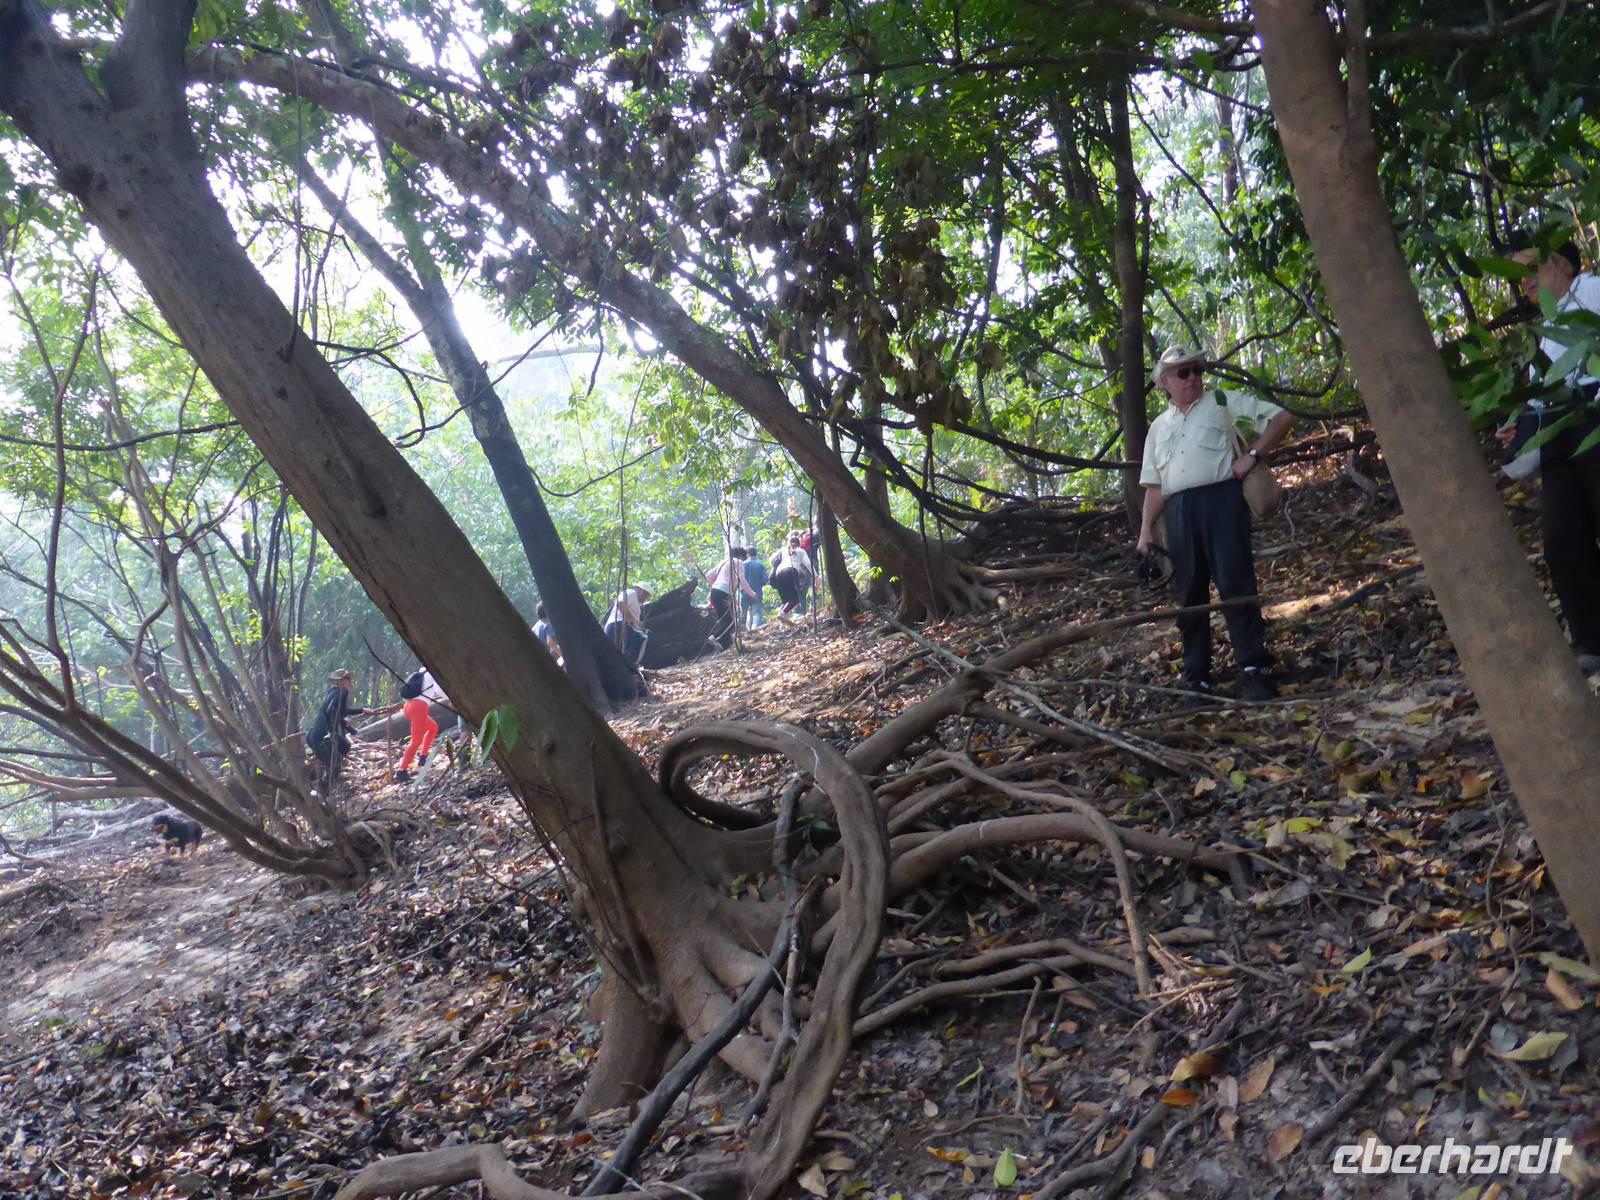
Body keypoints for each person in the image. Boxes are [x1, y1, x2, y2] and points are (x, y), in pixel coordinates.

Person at [1136, 347, 1294, 702]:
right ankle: (1197, 678)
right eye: (1183, 373)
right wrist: (1146, 531)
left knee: (1236, 583)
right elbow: (1154, 486)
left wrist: (1252, 456)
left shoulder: (1222, 401)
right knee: (1189, 594)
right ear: (1165, 382)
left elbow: (1282, 418)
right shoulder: (1159, 427)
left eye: (1196, 370)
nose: (1193, 377)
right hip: (1179, 512)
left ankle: (1254, 669)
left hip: (1222, 501)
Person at [1503, 233, 1600, 672]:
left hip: (1593, 421)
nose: (1523, 280)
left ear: (1562, 264)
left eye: (1532, 268)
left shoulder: (1591, 292)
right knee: (1563, 537)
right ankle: (1592, 640)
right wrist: (1518, 429)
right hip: (1560, 438)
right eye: (1516, 274)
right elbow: (1540, 401)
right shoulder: (1544, 334)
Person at [306, 668, 367, 786]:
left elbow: (341, 713)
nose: (350, 681)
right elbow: (332, 712)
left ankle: (328, 787)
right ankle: (326, 789)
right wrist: (334, 731)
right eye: (348, 679)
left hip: (316, 737)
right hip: (322, 739)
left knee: (334, 764)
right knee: (338, 758)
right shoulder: (339, 693)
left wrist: (361, 711)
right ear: (341, 681)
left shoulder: (335, 693)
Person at [394, 667, 452, 781]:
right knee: (416, 741)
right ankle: (402, 771)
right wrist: (450, 697)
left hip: (408, 706)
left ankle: (423, 758)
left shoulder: (422, 670)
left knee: (433, 728)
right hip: (418, 707)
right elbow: (439, 691)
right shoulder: (434, 672)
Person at [705, 547, 756, 649]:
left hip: (715, 591)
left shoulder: (723, 562)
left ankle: (723, 645)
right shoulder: (738, 562)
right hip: (724, 593)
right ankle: (714, 637)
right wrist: (752, 594)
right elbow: (742, 580)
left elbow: (709, 576)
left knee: (724, 620)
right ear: (741, 556)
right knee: (730, 621)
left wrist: (716, 585)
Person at [769, 534, 814, 623]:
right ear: (799, 543)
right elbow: (808, 564)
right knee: (797, 598)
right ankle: (783, 613)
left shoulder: (782, 550)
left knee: (787, 599)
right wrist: (816, 576)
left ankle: (783, 617)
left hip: (779, 573)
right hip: (790, 571)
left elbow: (771, 560)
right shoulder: (801, 551)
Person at [604, 583, 652, 666]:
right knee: (642, 637)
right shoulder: (631, 592)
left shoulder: (636, 602)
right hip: (618, 624)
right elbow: (620, 603)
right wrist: (633, 620)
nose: (645, 599)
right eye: (646, 596)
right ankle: (630, 665)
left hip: (619, 627)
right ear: (641, 591)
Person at [741, 546, 769, 628]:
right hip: (757, 593)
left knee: (742, 615)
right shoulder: (760, 565)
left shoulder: (742, 564)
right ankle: (754, 629)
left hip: (744, 593)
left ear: (747, 554)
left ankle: (742, 632)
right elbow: (765, 579)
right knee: (756, 614)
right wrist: (759, 585)